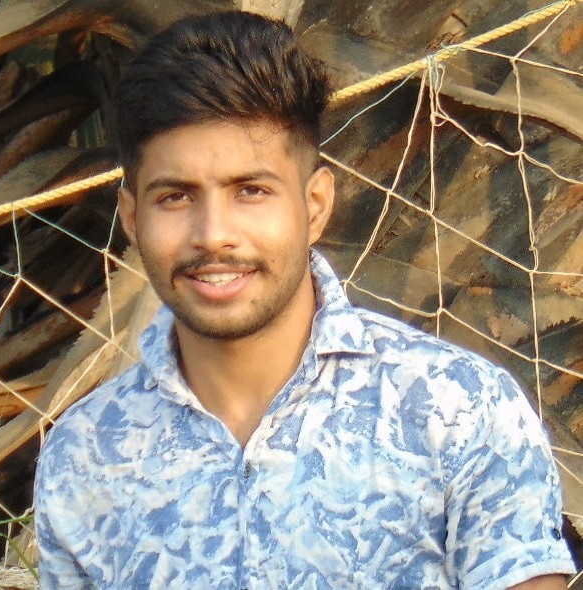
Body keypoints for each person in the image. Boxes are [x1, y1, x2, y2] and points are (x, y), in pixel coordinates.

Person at [34, 10, 576, 590]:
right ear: (132, 217)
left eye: (251, 191)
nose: (213, 234)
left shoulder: (458, 411)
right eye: (175, 197)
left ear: (315, 205)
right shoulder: (86, 457)